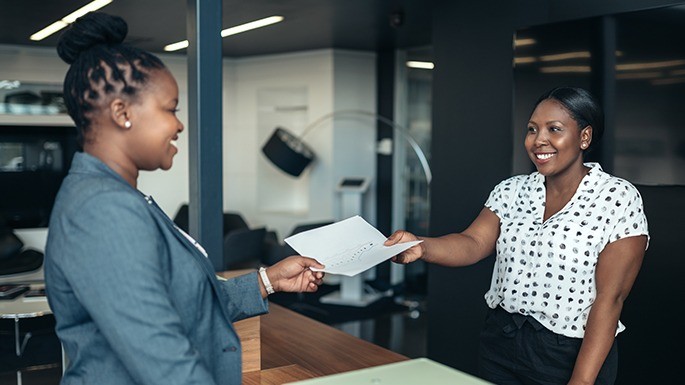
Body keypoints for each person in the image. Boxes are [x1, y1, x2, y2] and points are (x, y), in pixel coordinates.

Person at [44, 12, 324, 385]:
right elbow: (163, 360)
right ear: (122, 113)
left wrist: (267, 280)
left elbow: (183, 304)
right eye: (170, 109)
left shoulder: (116, 198)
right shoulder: (101, 210)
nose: (178, 125)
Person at [385, 86, 648, 385]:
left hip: (570, 352)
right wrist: (420, 246)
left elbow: (609, 298)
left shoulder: (617, 197)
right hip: (502, 342)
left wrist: (582, 381)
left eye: (554, 129)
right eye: (532, 129)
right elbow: (473, 243)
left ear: (584, 137)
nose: (539, 140)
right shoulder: (512, 190)